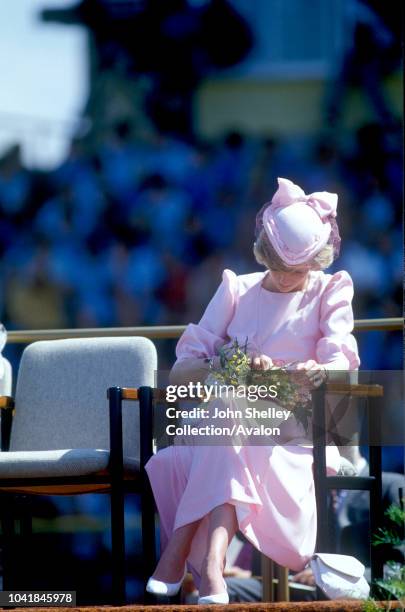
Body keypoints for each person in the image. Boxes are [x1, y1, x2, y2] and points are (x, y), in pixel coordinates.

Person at [145, 177, 360, 604]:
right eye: (277, 266)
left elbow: (343, 364)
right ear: (263, 254)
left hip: (294, 424)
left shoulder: (331, 289)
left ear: (317, 262)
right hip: (226, 423)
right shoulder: (237, 287)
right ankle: (212, 568)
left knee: (225, 418)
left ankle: (182, 551)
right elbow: (184, 369)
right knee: (228, 408)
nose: (284, 279)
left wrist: (315, 370)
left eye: (296, 270)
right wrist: (227, 363)